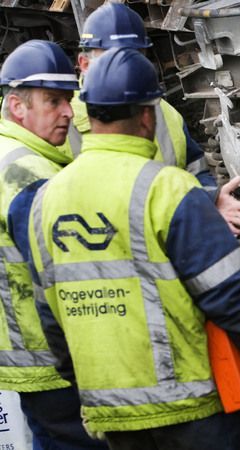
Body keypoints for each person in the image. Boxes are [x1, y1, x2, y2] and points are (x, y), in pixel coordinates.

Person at [27, 47, 240, 450]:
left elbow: (51, 318)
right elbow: (230, 293)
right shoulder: (170, 190)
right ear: (147, 115)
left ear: (89, 114)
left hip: (115, 413)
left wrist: (85, 384)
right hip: (194, 409)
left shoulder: (44, 201)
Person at [64, 2, 240, 234]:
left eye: (133, 57)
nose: (125, 69)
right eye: (112, 59)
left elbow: (193, 170)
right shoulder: (62, 124)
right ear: (84, 64)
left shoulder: (164, 113)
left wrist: (208, 199)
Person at [0, 40, 108, 449]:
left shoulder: (21, 155)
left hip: (29, 354)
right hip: (49, 357)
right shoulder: (23, 172)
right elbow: (63, 273)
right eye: (53, 101)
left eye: (68, 99)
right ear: (17, 106)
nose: (68, 111)